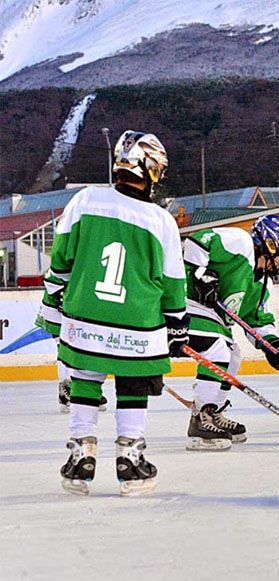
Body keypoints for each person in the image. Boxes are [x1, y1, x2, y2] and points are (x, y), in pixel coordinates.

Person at [42, 130, 188, 496]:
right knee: (133, 384)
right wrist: (177, 325)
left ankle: (81, 454)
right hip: (138, 324)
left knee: (86, 378)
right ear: (151, 169)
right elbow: (172, 284)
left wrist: (55, 300)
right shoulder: (161, 221)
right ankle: (130, 460)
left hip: (85, 317)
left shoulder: (85, 200)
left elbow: (61, 257)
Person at [182, 214, 279, 451]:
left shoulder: (263, 283)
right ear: (268, 244)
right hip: (182, 301)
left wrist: (272, 344)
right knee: (218, 349)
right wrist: (198, 275)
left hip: (209, 315)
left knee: (233, 355)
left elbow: (256, 320)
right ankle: (199, 418)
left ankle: (213, 412)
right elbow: (197, 241)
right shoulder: (240, 242)